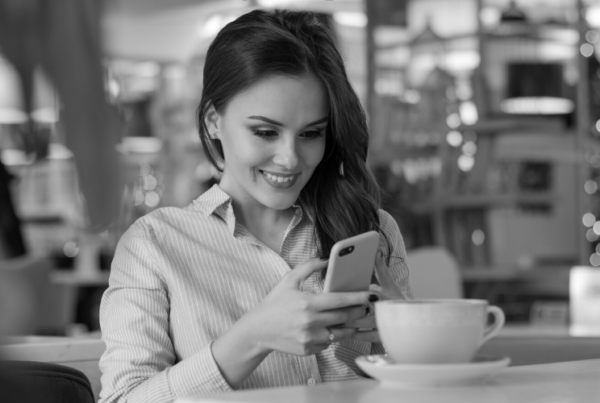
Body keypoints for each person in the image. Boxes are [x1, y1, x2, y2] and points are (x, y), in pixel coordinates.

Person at [99, 9, 412, 403]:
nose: (290, 159)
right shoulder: (154, 244)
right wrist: (252, 337)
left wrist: (409, 340)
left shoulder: (372, 230)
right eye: (265, 131)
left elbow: (420, 387)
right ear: (214, 120)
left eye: (311, 133)